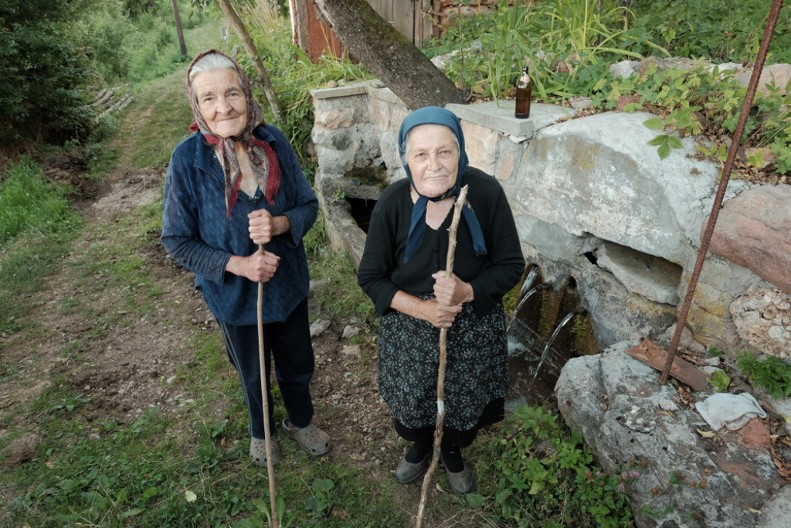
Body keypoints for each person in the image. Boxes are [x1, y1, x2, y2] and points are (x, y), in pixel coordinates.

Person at [161, 49, 329, 467]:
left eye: (232, 93)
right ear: (196, 105)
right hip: (234, 298)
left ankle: (300, 420)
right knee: (252, 370)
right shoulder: (188, 160)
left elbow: (308, 205)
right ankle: (262, 430)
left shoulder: (273, 143)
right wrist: (238, 265)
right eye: (210, 98)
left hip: (287, 284)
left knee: (297, 360)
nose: (224, 107)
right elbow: (177, 240)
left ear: (247, 93)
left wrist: (279, 226)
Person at [357, 106, 525, 494]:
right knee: (415, 397)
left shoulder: (484, 194)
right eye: (421, 154)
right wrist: (423, 309)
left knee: (462, 400)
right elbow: (370, 277)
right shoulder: (392, 203)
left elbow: (510, 264)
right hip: (409, 326)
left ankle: (451, 452)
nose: (433, 164)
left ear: (461, 151)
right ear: (406, 158)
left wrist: (467, 291)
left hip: (471, 327)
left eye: (444, 152)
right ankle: (419, 446)